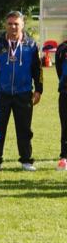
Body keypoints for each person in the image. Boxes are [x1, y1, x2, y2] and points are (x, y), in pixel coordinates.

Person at [0, 11, 42, 171]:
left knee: (24, 129)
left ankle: (26, 160)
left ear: (22, 25)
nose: (13, 27)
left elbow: (37, 69)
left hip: (23, 92)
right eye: (10, 24)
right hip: (1, 93)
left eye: (16, 24)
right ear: (5, 25)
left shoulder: (31, 45)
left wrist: (38, 89)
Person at [56, 39, 67, 170]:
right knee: (65, 125)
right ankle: (64, 155)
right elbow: (59, 71)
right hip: (65, 93)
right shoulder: (62, 48)